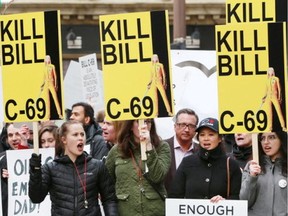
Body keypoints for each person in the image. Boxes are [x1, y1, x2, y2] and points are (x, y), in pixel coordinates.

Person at [29, 120, 118, 216]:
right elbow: (36, 198)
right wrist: (35, 170)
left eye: (82, 134)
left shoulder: (97, 166)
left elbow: (109, 199)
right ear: (64, 139)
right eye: (75, 135)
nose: (80, 138)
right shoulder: (50, 169)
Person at [105, 119, 171, 216]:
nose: (144, 126)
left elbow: (158, 176)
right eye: (139, 122)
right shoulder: (117, 150)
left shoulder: (162, 147)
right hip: (126, 210)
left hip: (154, 210)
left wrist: (149, 146)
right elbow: (108, 181)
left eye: (148, 122)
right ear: (131, 125)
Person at [169, 117, 242, 202]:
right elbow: (174, 197)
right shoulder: (187, 162)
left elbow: (237, 198)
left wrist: (224, 201)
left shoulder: (231, 165)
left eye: (211, 134)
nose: (206, 138)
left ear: (219, 138)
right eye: (202, 134)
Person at [240, 131, 287, 216]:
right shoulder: (252, 165)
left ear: (282, 139)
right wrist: (252, 177)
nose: (266, 142)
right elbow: (244, 202)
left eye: (271, 137)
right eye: (262, 138)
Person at [164, 108, 199, 190]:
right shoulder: (161, 147)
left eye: (191, 126)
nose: (187, 130)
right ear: (175, 126)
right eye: (183, 125)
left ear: (196, 129)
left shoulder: (202, 150)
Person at [0, 123, 31, 216]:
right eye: (10, 135)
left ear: (26, 135)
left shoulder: (37, 153)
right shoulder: (2, 158)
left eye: (17, 134)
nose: (14, 138)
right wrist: (3, 179)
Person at [261, 67, 286, 132]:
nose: (270, 72)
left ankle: (283, 126)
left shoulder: (276, 79)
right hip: (268, 96)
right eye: (269, 71)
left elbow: (279, 89)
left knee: (279, 111)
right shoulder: (267, 80)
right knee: (269, 113)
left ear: (273, 72)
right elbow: (266, 90)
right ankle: (270, 128)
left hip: (275, 96)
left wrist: (280, 97)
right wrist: (264, 97)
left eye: (271, 71)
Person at [41, 55, 63, 119]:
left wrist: (56, 84)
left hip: (51, 83)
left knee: (55, 99)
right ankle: (48, 116)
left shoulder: (52, 66)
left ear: (50, 59)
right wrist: (42, 85)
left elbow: (55, 76)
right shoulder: (44, 67)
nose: (47, 60)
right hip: (46, 84)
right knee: (47, 101)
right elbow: (43, 77)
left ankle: (59, 114)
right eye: (46, 59)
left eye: (48, 59)